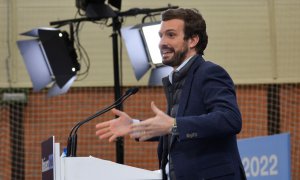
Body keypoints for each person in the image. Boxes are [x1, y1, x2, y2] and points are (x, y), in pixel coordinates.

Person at [96, 8, 246, 180]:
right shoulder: (177, 79)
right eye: (161, 36)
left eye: (171, 35)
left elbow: (230, 119)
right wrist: (135, 126)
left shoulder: (210, 72)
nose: (162, 43)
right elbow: (175, 128)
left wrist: (174, 125)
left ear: (193, 40)